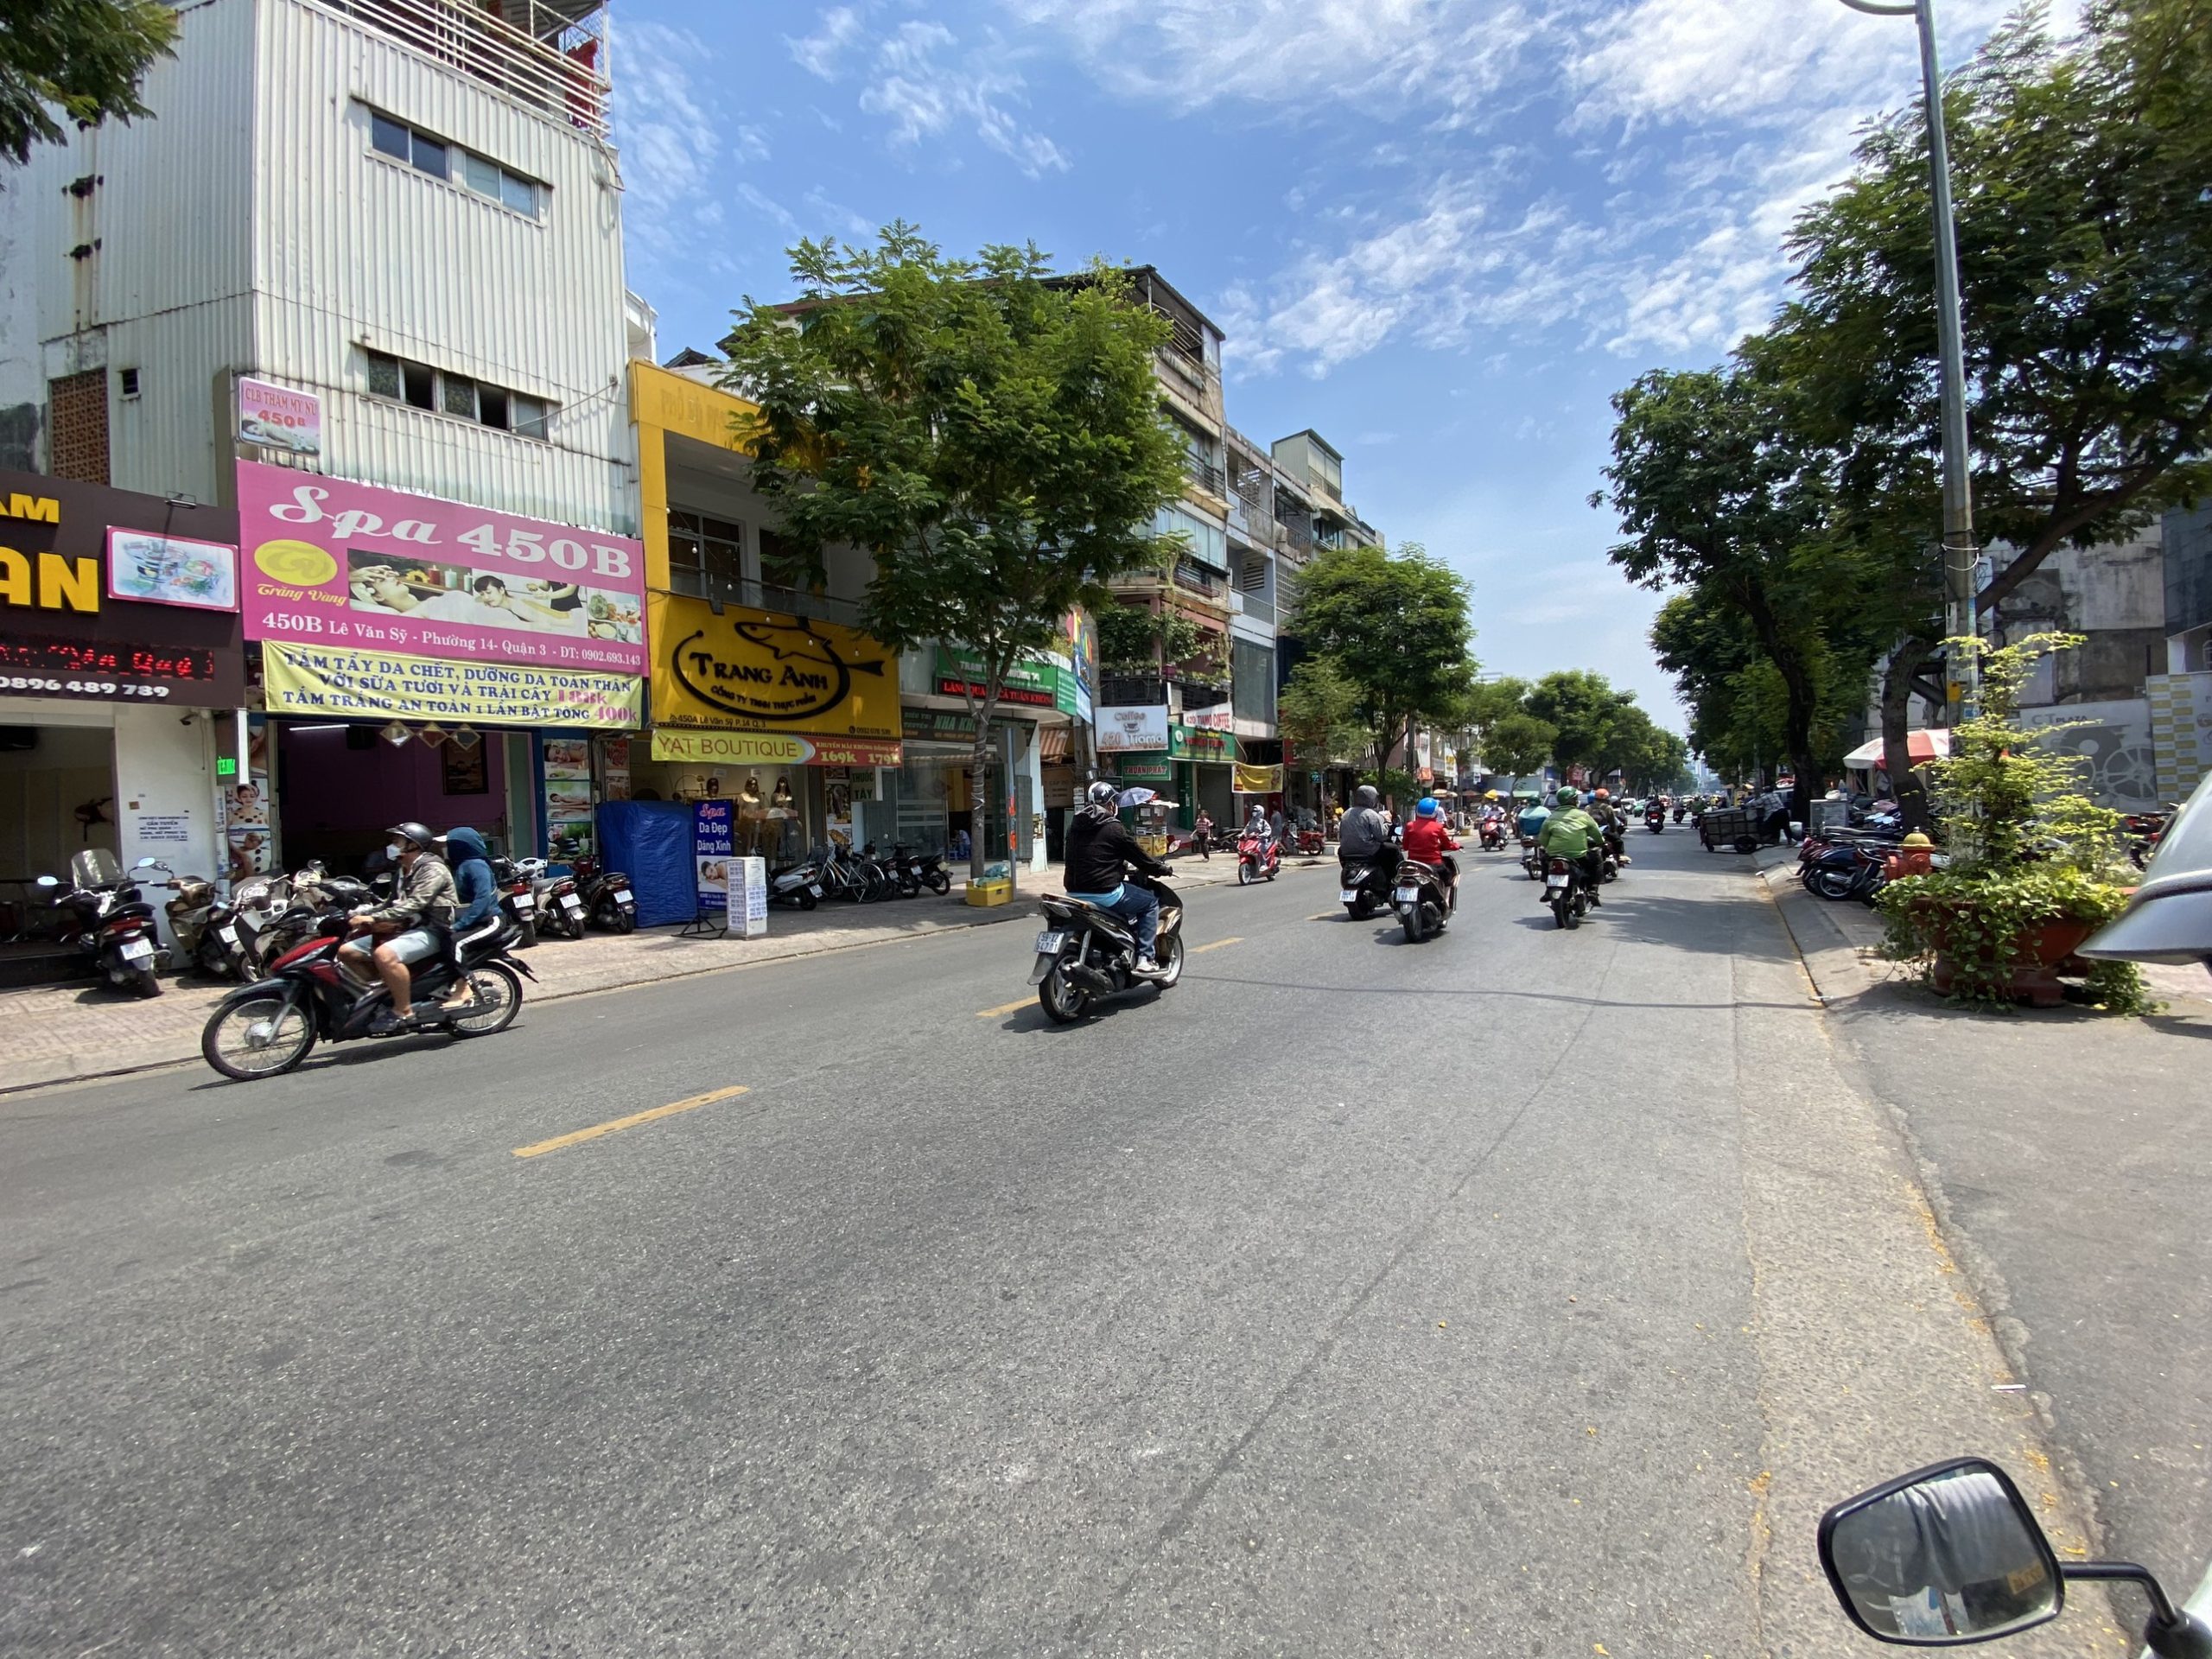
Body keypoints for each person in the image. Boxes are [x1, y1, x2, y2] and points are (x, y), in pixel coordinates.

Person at [341, 822, 458, 1033]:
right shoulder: (402, 871)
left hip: (432, 929)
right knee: (346, 951)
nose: (392, 845)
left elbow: (415, 903)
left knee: (384, 955)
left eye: (397, 841)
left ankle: (403, 1010)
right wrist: (358, 914)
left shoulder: (432, 869)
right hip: (405, 928)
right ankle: (388, 991)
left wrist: (373, 918)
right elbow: (390, 903)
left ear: (413, 844)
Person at [1065, 781, 1173, 976]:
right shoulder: (1114, 828)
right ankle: (1145, 959)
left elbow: (1090, 856)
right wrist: (1162, 869)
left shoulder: (1074, 827)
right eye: (1114, 801)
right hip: (1105, 893)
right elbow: (1140, 858)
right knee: (1150, 903)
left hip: (1073, 893)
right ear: (1110, 804)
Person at [435, 827, 500, 1011]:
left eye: (448, 845)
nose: (445, 850)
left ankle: (463, 988)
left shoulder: (476, 865)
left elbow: (482, 900)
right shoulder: (461, 866)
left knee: (454, 942)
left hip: (489, 921)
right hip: (474, 920)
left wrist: (460, 925)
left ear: (460, 846)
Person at [1536, 786, 1605, 904]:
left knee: (1544, 860)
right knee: (1597, 859)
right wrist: (1601, 842)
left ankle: (1548, 890)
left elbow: (1543, 840)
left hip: (1554, 855)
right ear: (1573, 800)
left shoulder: (1550, 818)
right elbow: (1596, 834)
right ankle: (1592, 890)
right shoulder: (1583, 816)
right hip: (1578, 856)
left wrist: (1550, 849)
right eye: (1576, 798)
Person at [1401, 797, 1461, 904]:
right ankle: (1446, 902)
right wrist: (1457, 846)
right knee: (1449, 878)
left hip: (1413, 864)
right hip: (1434, 865)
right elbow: (1448, 845)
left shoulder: (1410, 826)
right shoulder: (1438, 827)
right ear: (1435, 812)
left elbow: (1405, 846)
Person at [1338, 785, 1389, 865]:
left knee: (1340, 851)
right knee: (1394, 849)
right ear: (1371, 798)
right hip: (1368, 850)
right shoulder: (1371, 814)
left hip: (1347, 851)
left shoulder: (1346, 813)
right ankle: (1400, 871)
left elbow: (1341, 835)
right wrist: (1387, 824)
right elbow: (1381, 836)